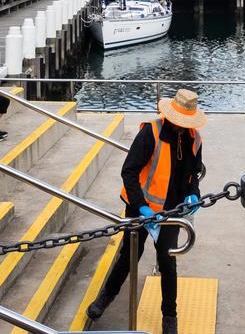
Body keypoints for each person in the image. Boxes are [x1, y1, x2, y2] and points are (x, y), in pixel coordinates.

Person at [86, 89, 207, 334]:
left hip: (173, 211)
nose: (183, 126)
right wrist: (141, 206)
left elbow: (194, 173)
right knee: (129, 256)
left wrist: (194, 193)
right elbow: (129, 171)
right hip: (140, 208)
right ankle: (106, 297)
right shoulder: (149, 133)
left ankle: (169, 316)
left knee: (168, 262)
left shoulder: (195, 139)